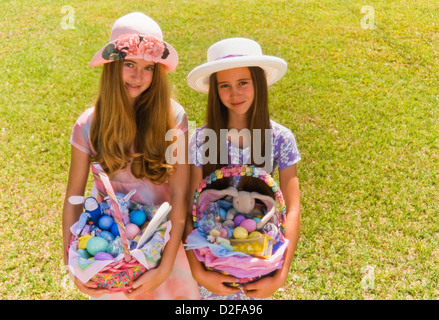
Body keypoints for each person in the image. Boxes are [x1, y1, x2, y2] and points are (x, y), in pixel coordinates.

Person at [62, 12, 200, 300]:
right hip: (111, 252)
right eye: (129, 64)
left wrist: (163, 268)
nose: (139, 76)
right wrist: (72, 263)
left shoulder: (173, 118)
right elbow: (74, 196)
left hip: (165, 246)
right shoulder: (88, 125)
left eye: (149, 67)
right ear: (112, 65)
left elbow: (180, 194)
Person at [184, 37, 301, 299]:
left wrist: (280, 275)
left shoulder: (280, 138)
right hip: (213, 261)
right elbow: (189, 205)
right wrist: (199, 272)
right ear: (215, 91)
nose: (234, 93)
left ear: (258, 84)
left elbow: (292, 208)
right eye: (224, 85)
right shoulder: (201, 139)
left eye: (243, 83)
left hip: (260, 262)